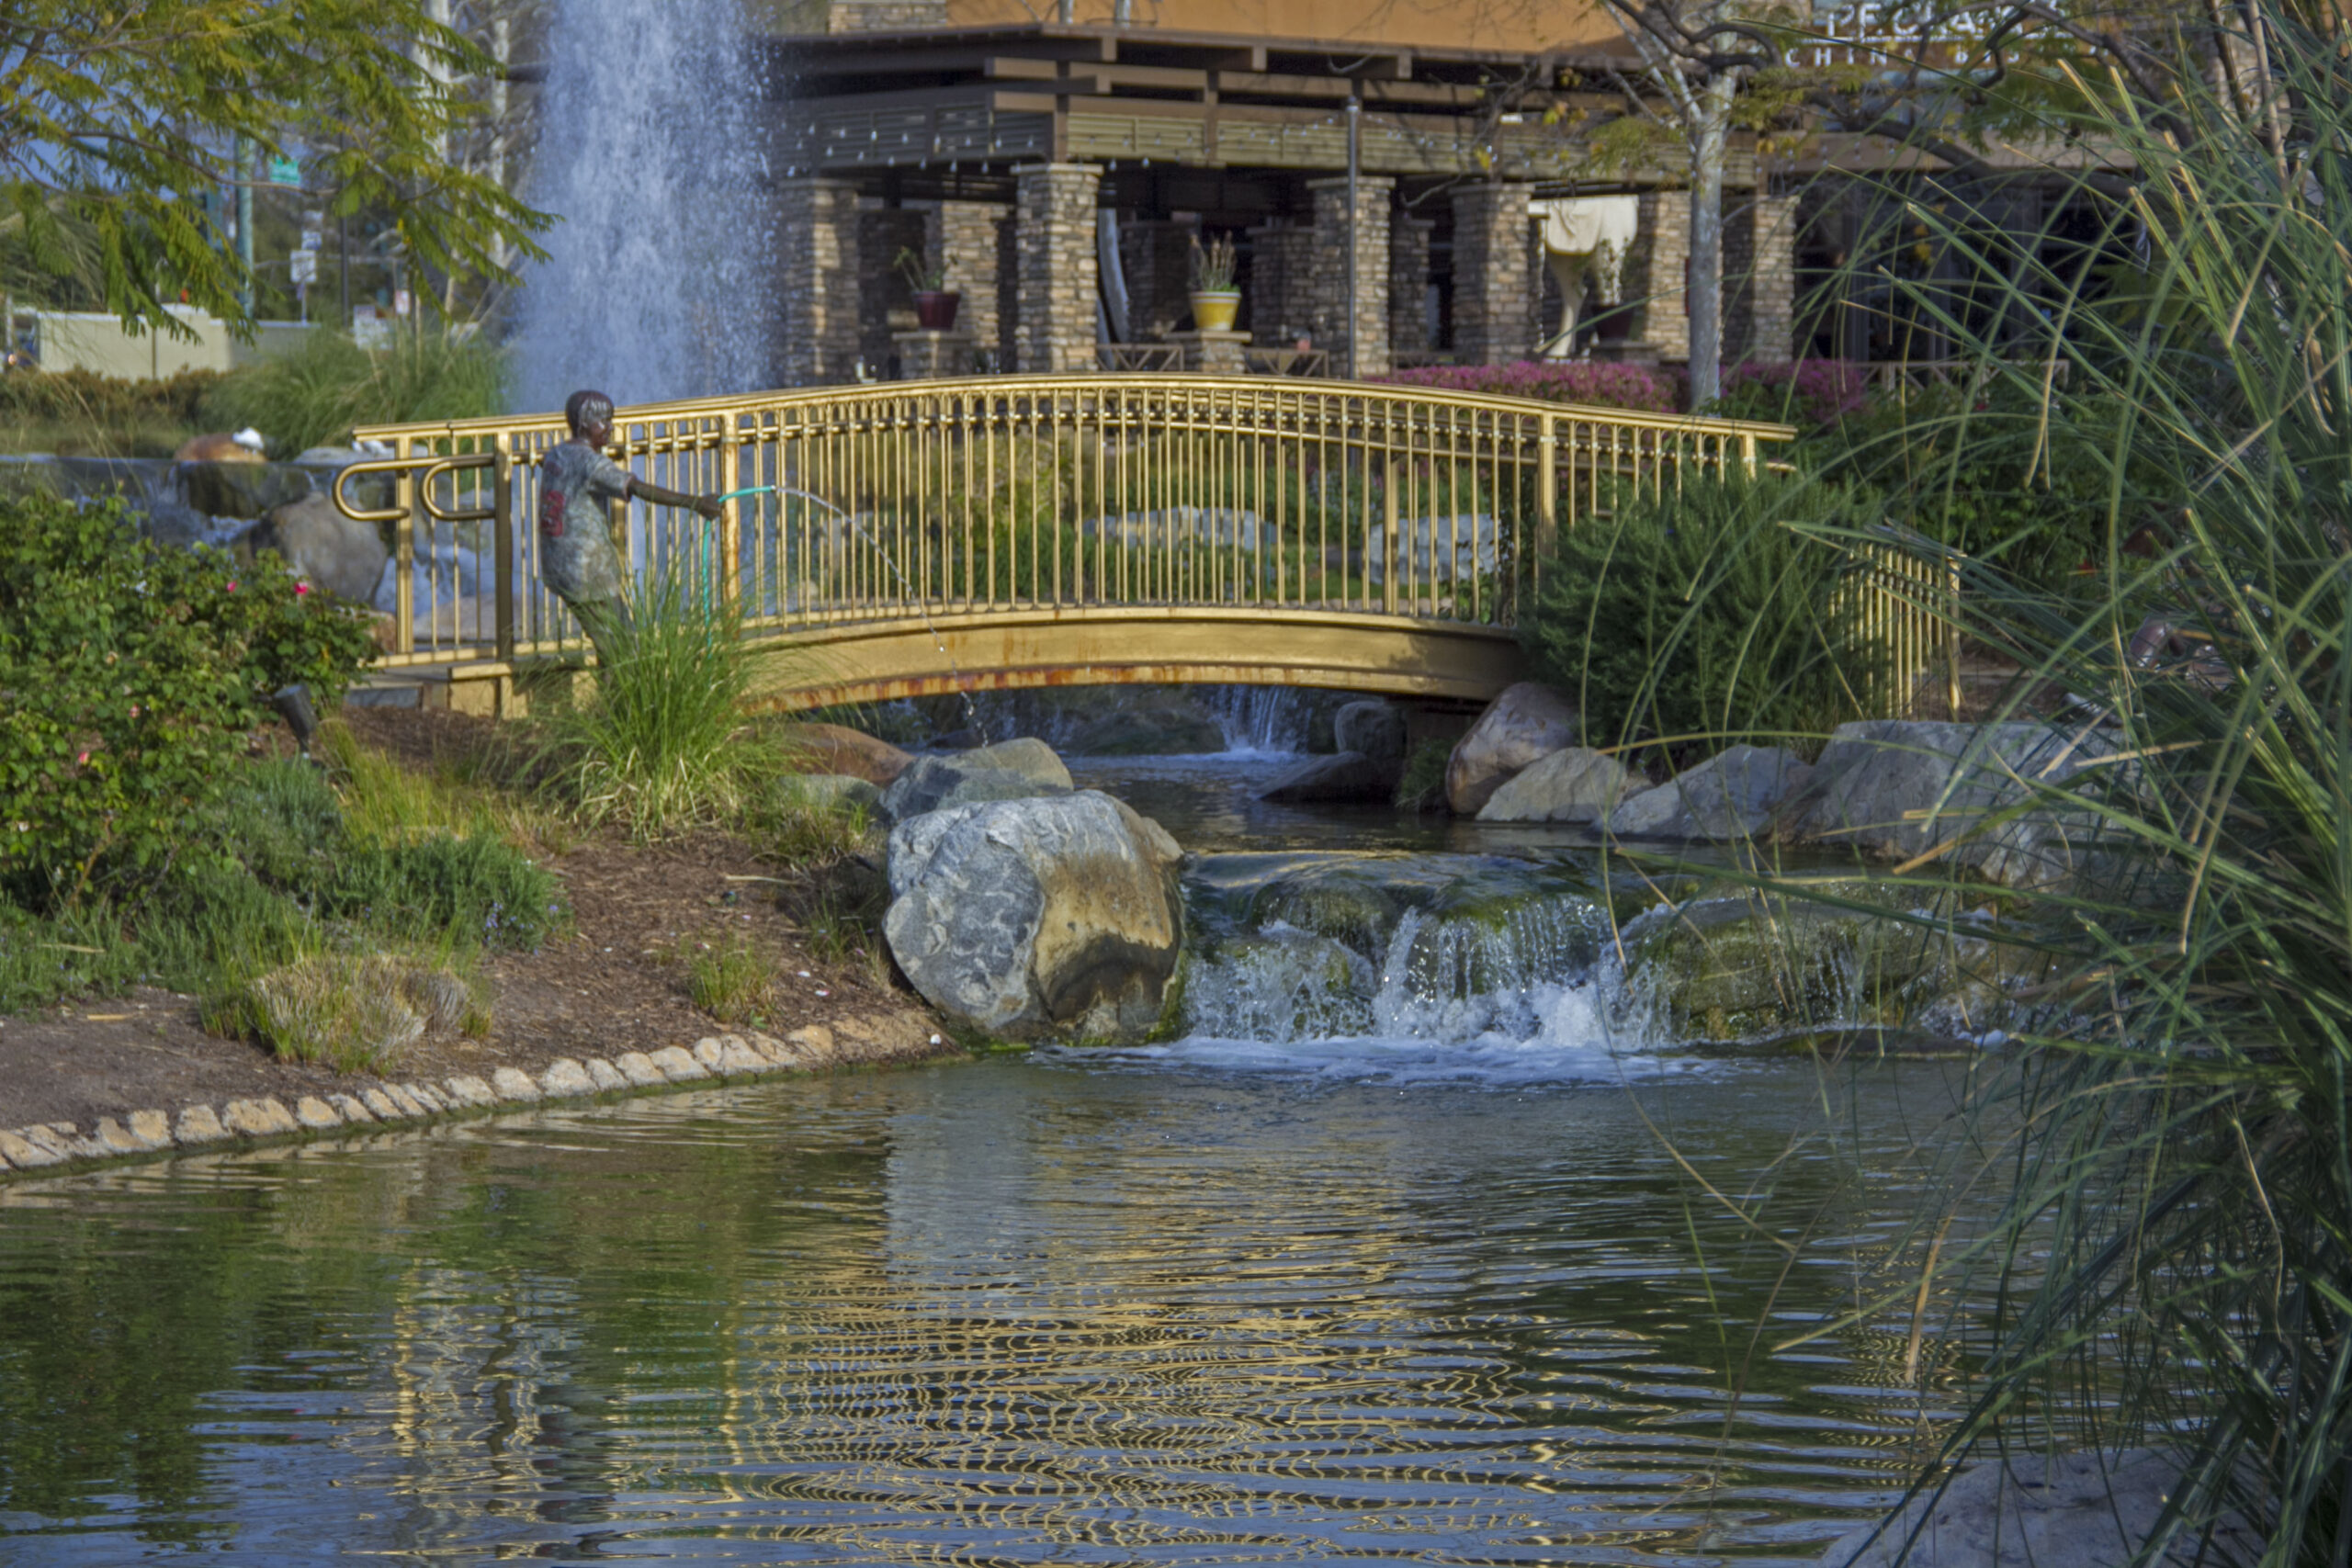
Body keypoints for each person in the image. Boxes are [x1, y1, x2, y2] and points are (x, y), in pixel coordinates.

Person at [537, 389, 723, 664]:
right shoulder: (592, 463)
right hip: (587, 574)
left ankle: (617, 701)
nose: (611, 428)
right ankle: (619, 705)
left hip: (559, 566)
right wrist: (694, 503)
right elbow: (636, 487)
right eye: (604, 421)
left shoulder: (558, 453)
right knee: (621, 653)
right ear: (584, 424)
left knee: (622, 639)